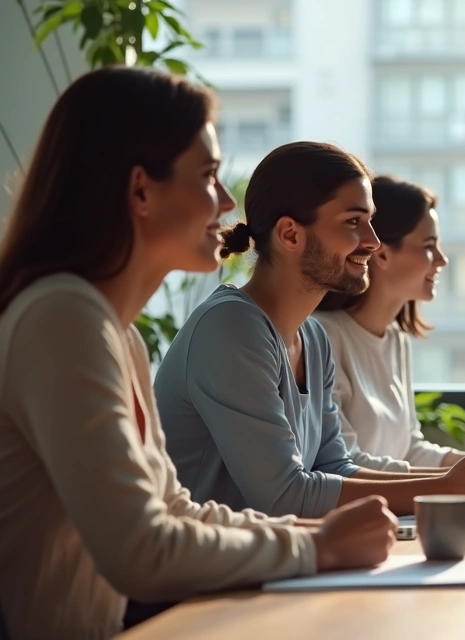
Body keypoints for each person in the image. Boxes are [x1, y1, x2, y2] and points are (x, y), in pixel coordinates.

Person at [0, 67, 395, 640]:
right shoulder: (61, 319)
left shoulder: (116, 333)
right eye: (208, 175)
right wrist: (316, 549)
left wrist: (317, 541)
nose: (227, 199)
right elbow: (140, 549)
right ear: (140, 190)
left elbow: (175, 511)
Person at [155, 142, 465, 519]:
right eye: (353, 222)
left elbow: (334, 468)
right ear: (290, 234)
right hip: (211, 570)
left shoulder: (314, 339)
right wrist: (444, 489)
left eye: (371, 221)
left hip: (270, 562)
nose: (373, 242)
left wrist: (453, 483)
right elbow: (284, 495)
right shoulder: (230, 327)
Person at [314, 175, 465, 491]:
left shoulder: (396, 340)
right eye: (428, 246)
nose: (442, 260)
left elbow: (409, 448)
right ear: (380, 254)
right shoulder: (322, 338)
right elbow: (345, 465)